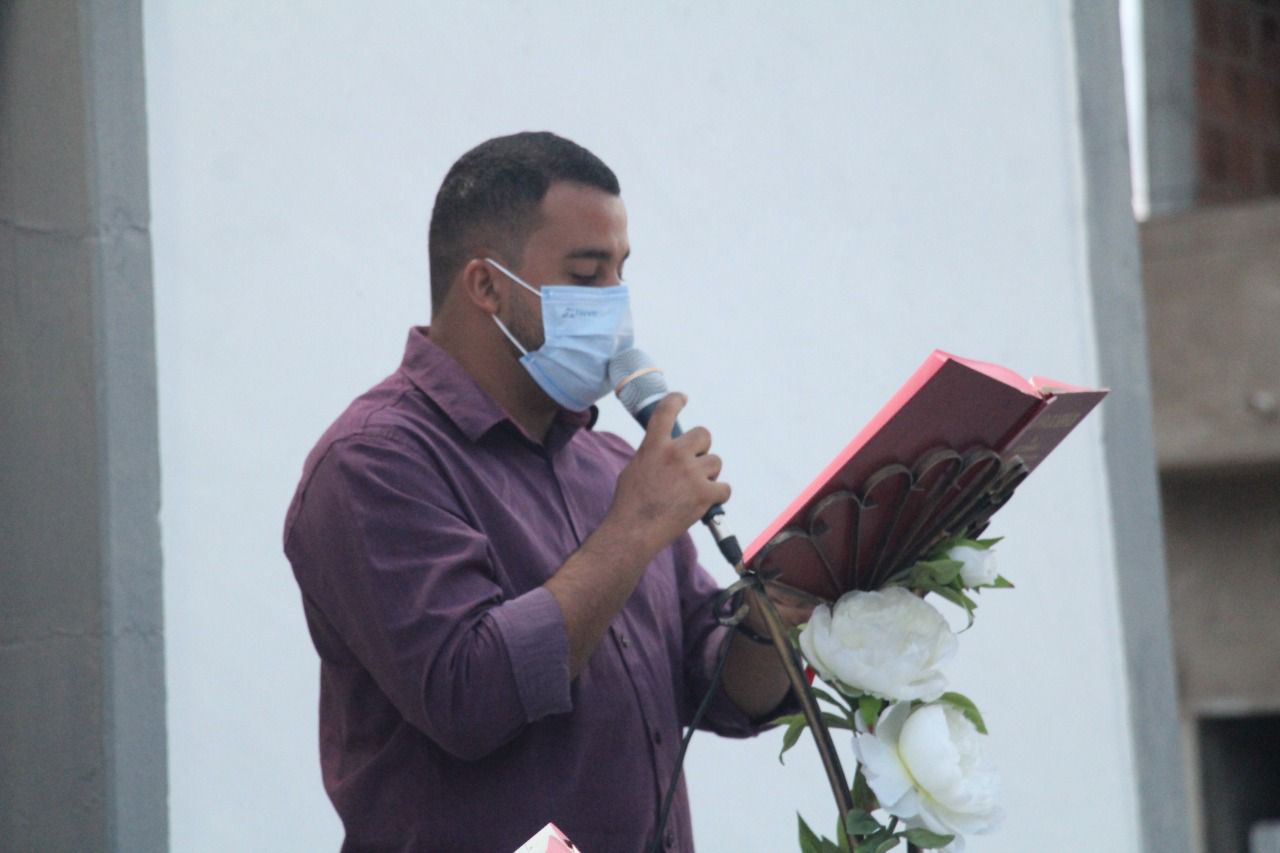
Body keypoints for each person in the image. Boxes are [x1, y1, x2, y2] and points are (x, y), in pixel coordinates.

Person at [283, 132, 805, 853]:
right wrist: (634, 528)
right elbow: (466, 697)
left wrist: (782, 609)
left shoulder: (609, 463)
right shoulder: (375, 461)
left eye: (621, 272)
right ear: (486, 285)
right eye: (587, 276)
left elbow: (715, 682)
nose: (615, 303)